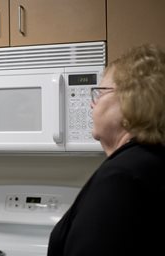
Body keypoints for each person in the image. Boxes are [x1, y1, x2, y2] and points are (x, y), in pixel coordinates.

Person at [48, 44, 165, 256]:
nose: (92, 105)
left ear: (131, 100)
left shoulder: (121, 179)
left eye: (100, 93)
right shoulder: (151, 162)